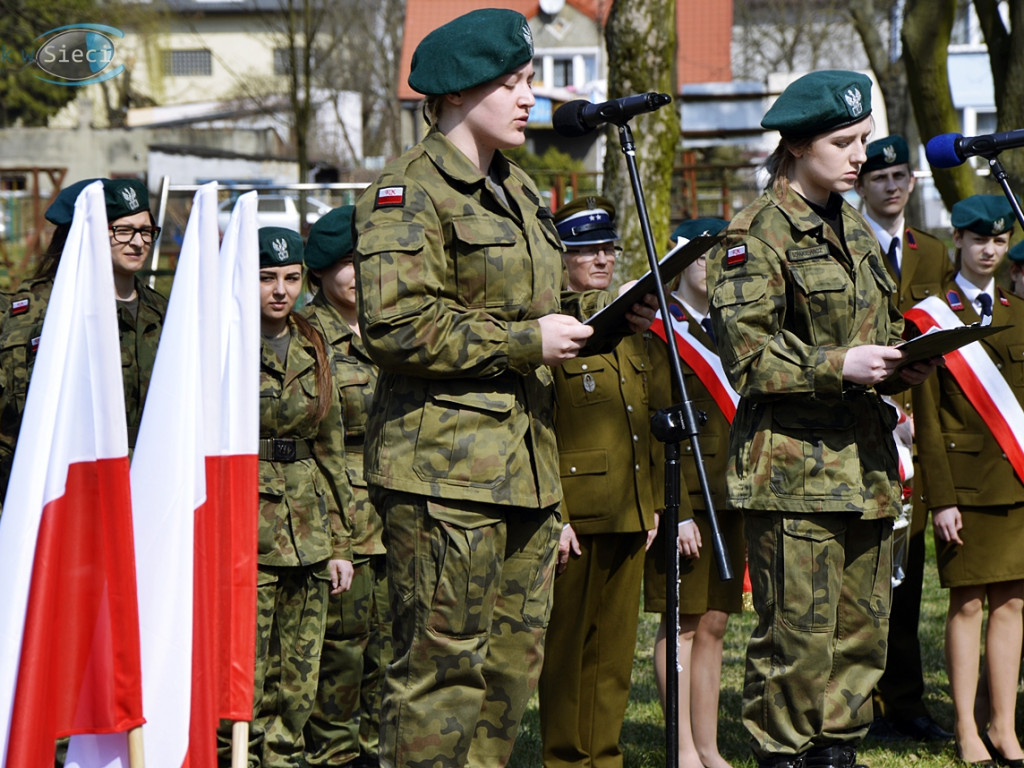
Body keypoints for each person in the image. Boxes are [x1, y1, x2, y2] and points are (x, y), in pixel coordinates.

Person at [353, 10, 654, 767]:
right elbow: (394, 325)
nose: (529, 98)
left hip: (527, 471)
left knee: (507, 675)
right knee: (438, 675)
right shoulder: (406, 193)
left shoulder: (519, 190)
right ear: (457, 94)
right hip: (443, 477)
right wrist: (527, 342)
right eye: (512, 84)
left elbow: (536, 309)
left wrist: (603, 320)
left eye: (528, 82)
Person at [705, 70, 939, 768]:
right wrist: (838, 365)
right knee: (796, 645)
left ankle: (837, 751)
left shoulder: (855, 232)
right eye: (844, 142)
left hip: (863, 468)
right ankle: (783, 754)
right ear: (798, 146)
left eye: (863, 138)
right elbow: (745, 355)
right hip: (795, 474)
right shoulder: (758, 234)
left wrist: (904, 363)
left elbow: (878, 328)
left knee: (861, 638)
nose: (859, 156)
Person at [537, 196, 667, 768]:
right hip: (578, 514)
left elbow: (646, 422)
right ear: (561, 256)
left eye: (609, 248)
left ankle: (604, 756)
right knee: (568, 652)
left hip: (629, 508)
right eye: (587, 249)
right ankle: (567, 758)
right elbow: (540, 425)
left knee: (614, 653)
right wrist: (555, 514)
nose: (602, 259)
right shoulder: (551, 328)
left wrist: (655, 503)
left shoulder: (630, 326)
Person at [907, 194, 1024, 768]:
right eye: (979, 240)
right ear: (956, 240)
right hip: (965, 491)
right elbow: (926, 418)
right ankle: (966, 728)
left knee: (1012, 603)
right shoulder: (929, 314)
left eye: (999, 241)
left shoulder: (1018, 311)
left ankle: (1003, 726)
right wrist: (941, 500)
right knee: (968, 606)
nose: (989, 250)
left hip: (1016, 485)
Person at [853, 135, 954, 743]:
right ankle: (858, 705)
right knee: (861, 577)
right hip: (860, 424)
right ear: (861, 185)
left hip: (914, 438)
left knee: (908, 575)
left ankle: (907, 702)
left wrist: (917, 417)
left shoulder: (934, 253)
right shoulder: (845, 242)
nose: (891, 186)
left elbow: (939, 348)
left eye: (899, 175)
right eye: (878, 176)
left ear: (912, 182)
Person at [243, 226, 355, 767]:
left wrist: (340, 542)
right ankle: (237, 756)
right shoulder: (226, 341)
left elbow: (331, 448)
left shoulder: (315, 341)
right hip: (247, 527)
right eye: (266, 278)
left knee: (301, 668)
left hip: (308, 527)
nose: (280, 290)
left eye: (289, 278)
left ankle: (284, 757)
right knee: (247, 665)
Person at [645, 216, 745, 768]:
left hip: (729, 492)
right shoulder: (660, 328)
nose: (712, 268)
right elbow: (656, 421)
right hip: (687, 495)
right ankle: (681, 748)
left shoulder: (732, 325)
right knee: (681, 622)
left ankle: (708, 746)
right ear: (681, 264)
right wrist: (674, 507)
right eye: (704, 257)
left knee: (715, 622)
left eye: (722, 256)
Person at [0, 177, 166, 502]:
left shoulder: (164, 314)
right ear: (87, 234)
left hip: (146, 491)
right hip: (62, 491)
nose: (137, 243)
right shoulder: (36, 311)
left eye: (145, 231)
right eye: (122, 230)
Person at [301, 206, 390, 768]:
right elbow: (316, 448)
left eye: (366, 260)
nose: (358, 274)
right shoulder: (308, 337)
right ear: (322, 271)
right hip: (342, 519)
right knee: (341, 661)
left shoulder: (393, 326)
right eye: (346, 263)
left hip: (397, 515)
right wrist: (335, 535)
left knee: (391, 657)